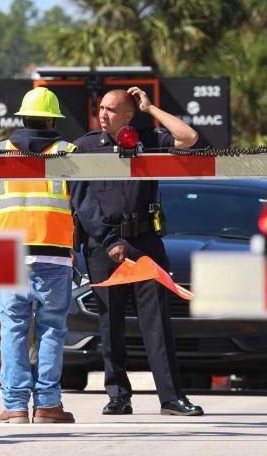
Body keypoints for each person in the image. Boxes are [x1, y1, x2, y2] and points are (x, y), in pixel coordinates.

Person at [71, 86, 204, 416]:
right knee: (111, 324)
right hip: (104, 245)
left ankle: (171, 398)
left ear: (129, 115)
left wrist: (151, 107)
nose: (103, 114)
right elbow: (82, 203)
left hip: (145, 242)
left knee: (157, 322)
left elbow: (188, 138)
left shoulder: (149, 139)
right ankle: (118, 395)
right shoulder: (85, 147)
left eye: (111, 110)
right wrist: (107, 241)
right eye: (101, 108)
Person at [0, 87, 77, 424]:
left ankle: (15, 407)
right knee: (52, 330)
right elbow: (82, 209)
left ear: (21, 117)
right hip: (54, 255)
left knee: (14, 330)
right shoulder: (67, 153)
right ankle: (48, 405)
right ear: (52, 120)